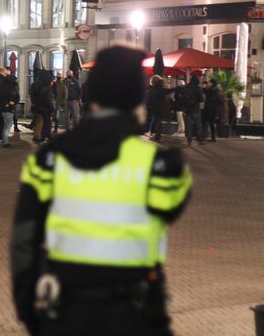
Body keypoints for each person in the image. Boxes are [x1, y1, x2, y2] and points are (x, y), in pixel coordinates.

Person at [11, 45, 192, 336]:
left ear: (91, 93)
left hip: (67, 309)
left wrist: (30, 312)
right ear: (137, 96)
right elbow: (171, 206)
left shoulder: (46, 161)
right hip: (134, 312)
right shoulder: (161, 165)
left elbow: (23, 243)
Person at [147, 75, 172, 143]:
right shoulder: (161, 88)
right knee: (158, 122)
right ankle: (157, 136)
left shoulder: (151, 89)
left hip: (153, 107)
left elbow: (149, 99)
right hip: (159, 108)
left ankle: (152, 133)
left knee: (154, 120)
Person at [182, 76, 205, 146]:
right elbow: (201, 99)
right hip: (196, 109)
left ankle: (189, 140)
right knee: (198, 125)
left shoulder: (186, 88)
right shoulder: (198, 88)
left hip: (188, 110)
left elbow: (183, 98)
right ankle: (200, 140)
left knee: (188, 126)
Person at [1, 72, 20, 148]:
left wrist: (8, 103)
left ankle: (4, 140)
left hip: (5, 108)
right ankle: (5, 142)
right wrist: (10, 103)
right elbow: (17, 98)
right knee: (7, 126)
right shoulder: (13, 88)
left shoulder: (3, 87)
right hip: (8, 109)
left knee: (6, 126)